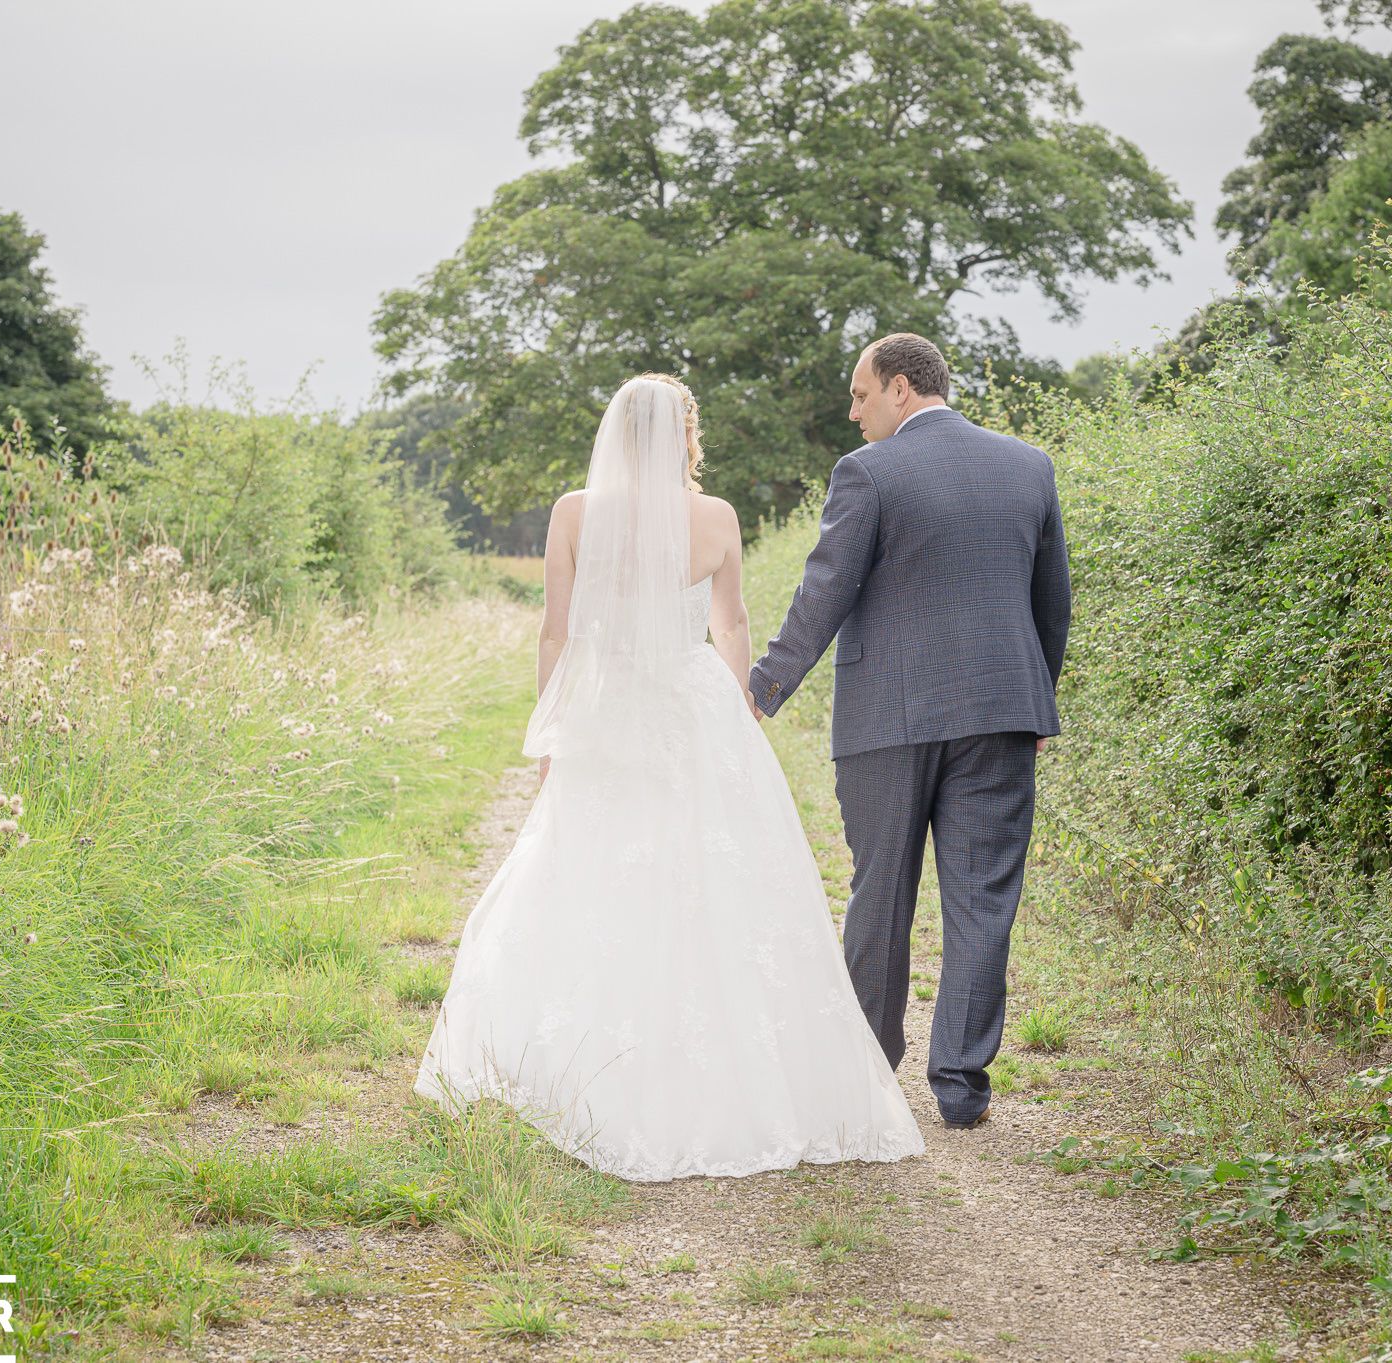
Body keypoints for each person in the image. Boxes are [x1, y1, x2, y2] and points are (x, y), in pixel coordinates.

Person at [415, 373, 925, 1182]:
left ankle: (588, 1055)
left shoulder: (574, 513)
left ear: (617, 435)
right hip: (692, 704)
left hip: (608, 703)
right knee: (709, 871)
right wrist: (738, 714)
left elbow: (557, 633)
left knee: (593, 864)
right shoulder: (715, 518)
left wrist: (553, 728)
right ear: (685, 435)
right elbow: (732, 626)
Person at [749, 333, 1072, 1130]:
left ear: (899, 388)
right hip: (1002, 713)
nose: (854, 413)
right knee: (981, 898)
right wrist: (1034, 703)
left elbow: (824, 589)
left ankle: (866, 1071)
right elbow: (1052, 602)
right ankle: (961, 1086)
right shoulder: (1028, 464)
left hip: (887, 720)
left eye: (860, 395)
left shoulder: (869, 472)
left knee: (881, 892)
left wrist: (764, 686)